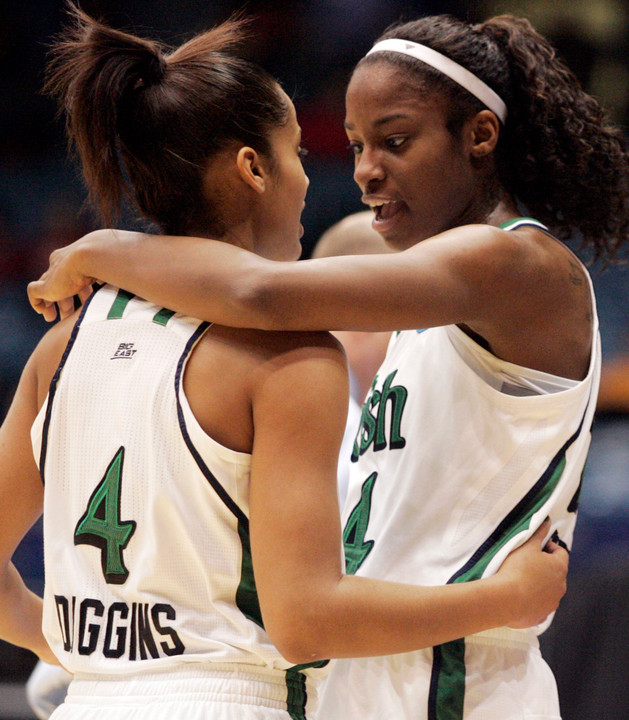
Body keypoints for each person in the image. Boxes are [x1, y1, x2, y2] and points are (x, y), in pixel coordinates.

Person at [25, 12, 622, 720]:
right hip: (353, 665)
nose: (365, 170)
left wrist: (101, 247)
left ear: (479, 136)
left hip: (457, 680)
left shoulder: (514, 264)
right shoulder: (399, 267)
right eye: (355, 145)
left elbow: (259, 290)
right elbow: (263, 272)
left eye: (395, 141)